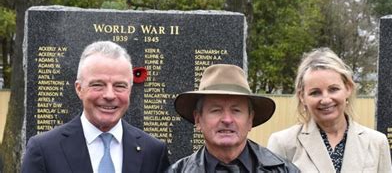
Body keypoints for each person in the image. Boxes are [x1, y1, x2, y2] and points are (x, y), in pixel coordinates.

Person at [21, 41, 170, 173]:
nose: (110, 95)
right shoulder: (44, 149)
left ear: (130, 90)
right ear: (79, 89)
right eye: (98, 85)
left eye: (120, 86)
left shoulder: (153, 151)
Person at [267, 48, 392, 173]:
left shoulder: (376, 142)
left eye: (333, 89)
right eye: (315, 92)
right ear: (302, 97)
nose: (326, 99)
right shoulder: (283, 144)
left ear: (348, 89)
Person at [167, 64, 299, 173]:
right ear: (198, 119)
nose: (227, 120)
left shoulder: (284, 170)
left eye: (236, 111)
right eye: (216, 110)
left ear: (250, 120)